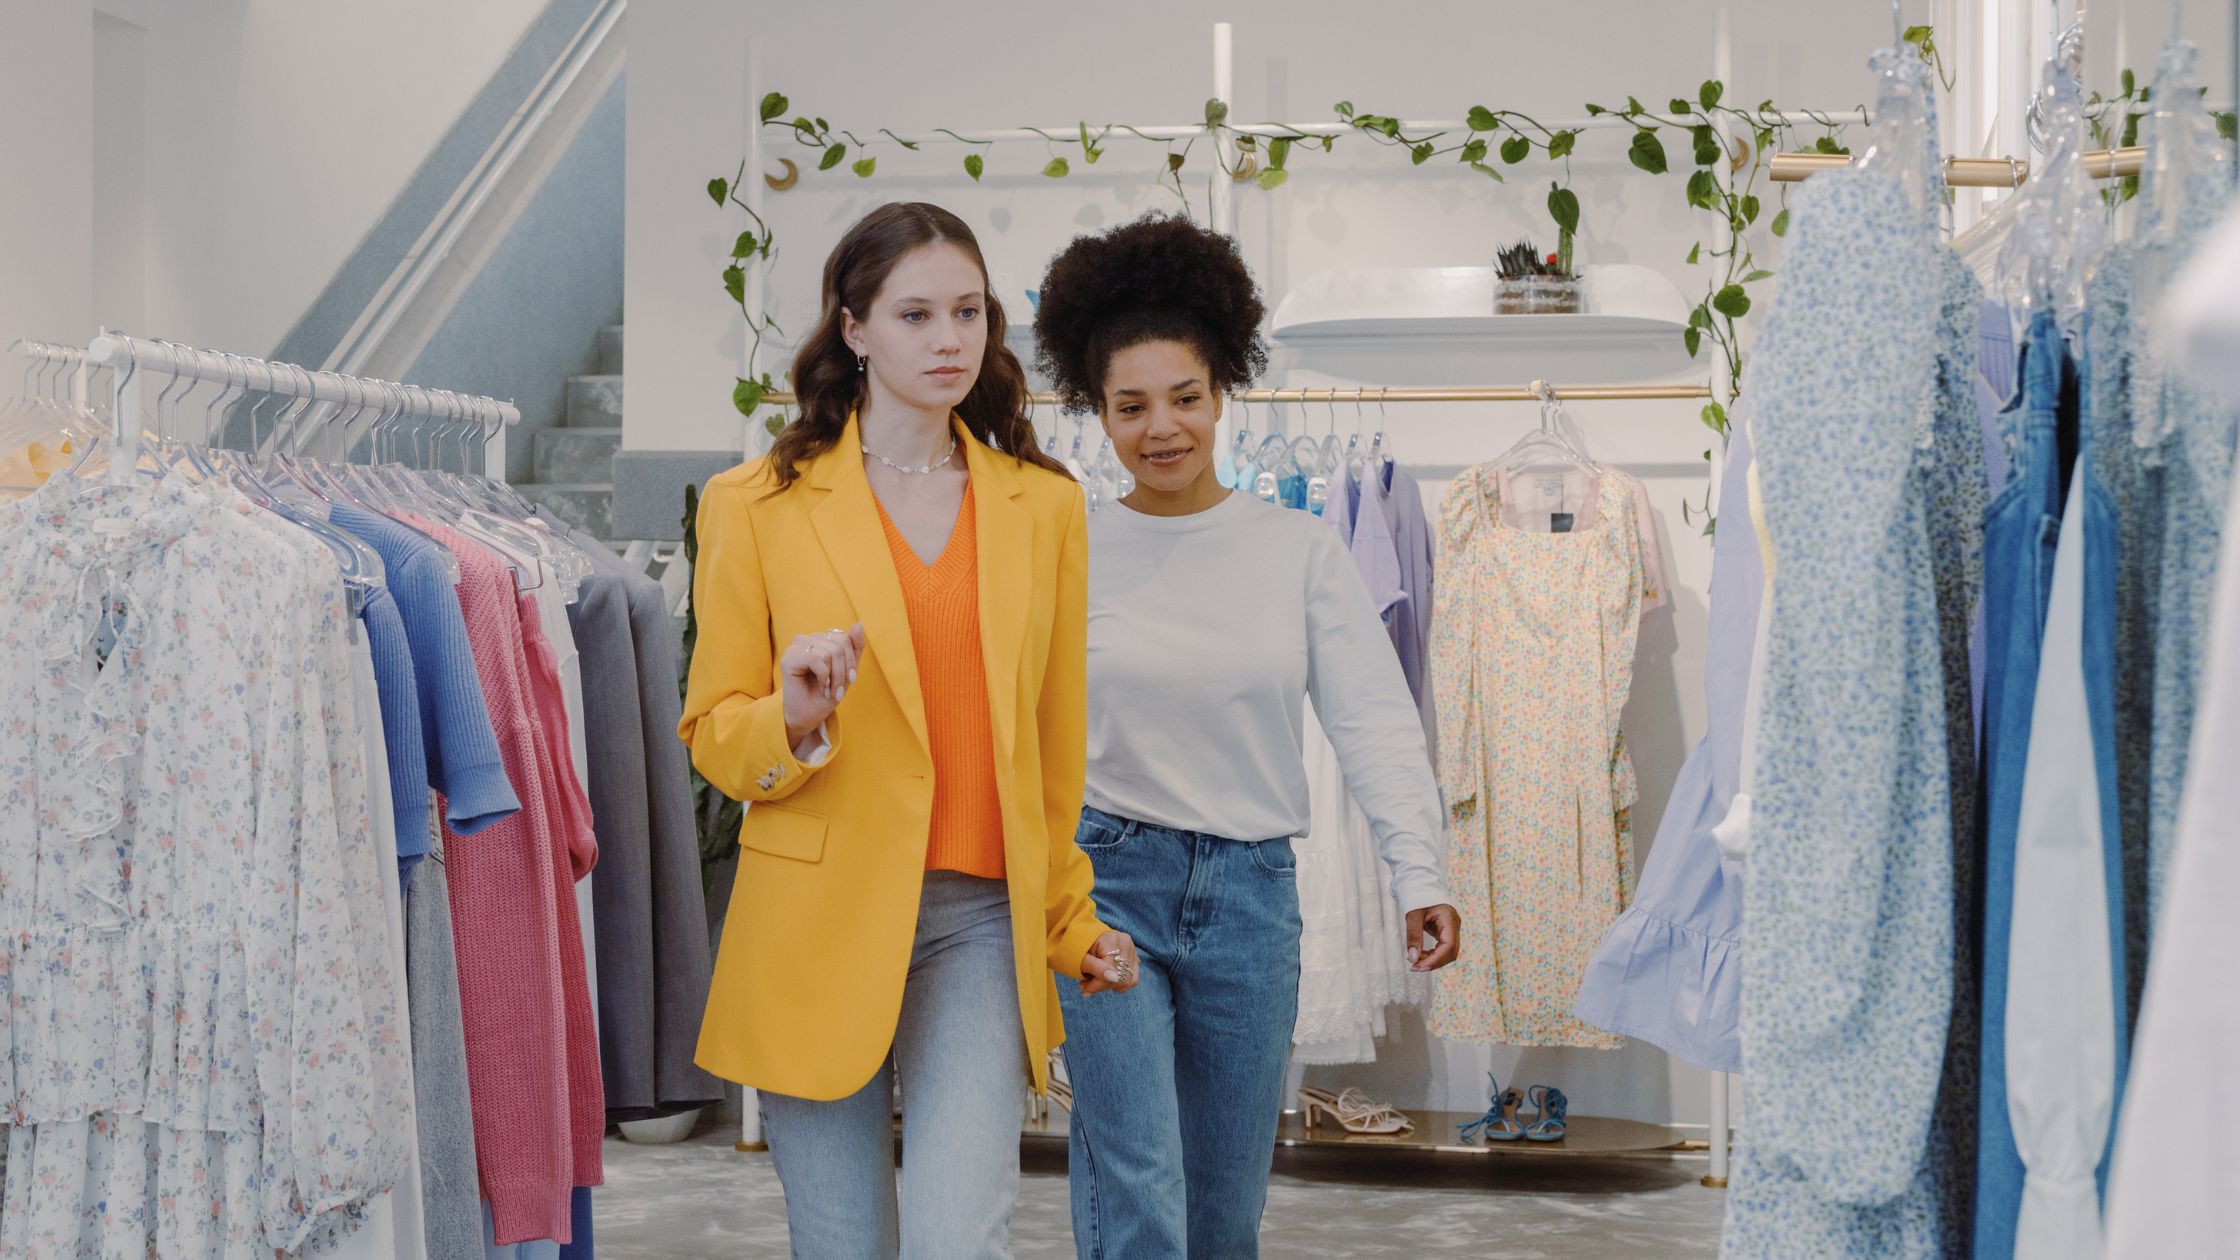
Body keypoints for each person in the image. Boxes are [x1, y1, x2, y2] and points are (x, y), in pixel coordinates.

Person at [680, 201, 1141, 1259]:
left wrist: (1067, 924)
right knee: (840, 1245)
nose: (948, 340)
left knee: (956, 1238)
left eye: (969, 313)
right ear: (853, 329)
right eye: (916, 314)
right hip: (814, 920)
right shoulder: (753, 505)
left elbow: (1052, 753)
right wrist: (790, 720)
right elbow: (712, 733)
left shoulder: (1044, 507)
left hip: (979, 922)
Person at [1031, 212, 1462, 1257]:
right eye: (1130, 406)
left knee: (1224, 1205)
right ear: (1096, 413)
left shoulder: (1300, 550)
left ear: (1221, 391)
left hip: (1248, 899)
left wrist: (1420, 872)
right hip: (1107, 889)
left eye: (1183, 397)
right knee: (1136, 1181)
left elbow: (1372, 718)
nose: (1161, 427)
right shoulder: (1065, 547)